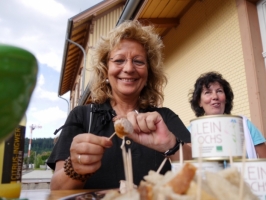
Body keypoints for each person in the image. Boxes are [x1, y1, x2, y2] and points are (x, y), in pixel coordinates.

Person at [47, 20, 192, 190]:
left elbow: (199, 173)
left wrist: (171, 145)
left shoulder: (164, 118)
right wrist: (76, 168)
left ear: (148, 74)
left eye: (138, 61)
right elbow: (57, 189)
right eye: (119, 60)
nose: (129, 68)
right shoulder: (83, 116)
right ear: (105, 70)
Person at [188, 71, 266, 158]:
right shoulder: (190, 132)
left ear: (226, 99)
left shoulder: (244, 124)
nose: (215, 97)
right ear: (199, 102)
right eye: (208, 92)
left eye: (219, 91)